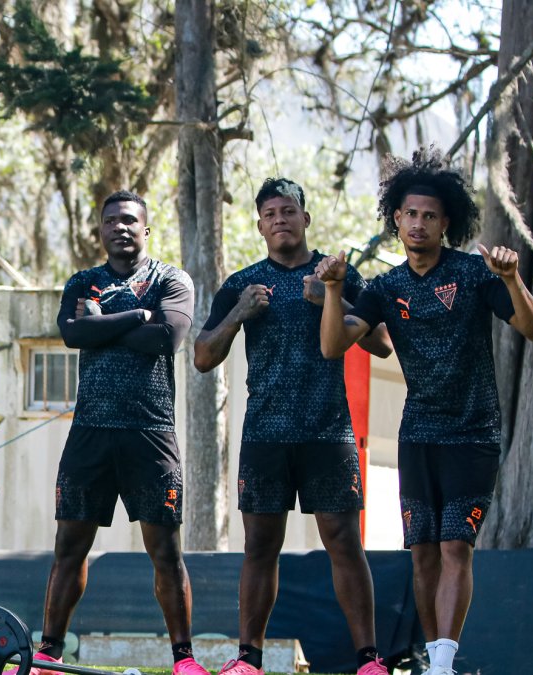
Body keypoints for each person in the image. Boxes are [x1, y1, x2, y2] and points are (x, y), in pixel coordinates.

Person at [316, 149, 533, 675]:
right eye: (410, 214)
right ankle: (430, 654)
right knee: (421, 550)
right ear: (396, 218)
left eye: (430, 216)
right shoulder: (384, 288)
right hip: (417, 434)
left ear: (447, 223)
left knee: (454, 546)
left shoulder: (473, 273)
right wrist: (333, 289)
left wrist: (511, 280)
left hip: (473, 433)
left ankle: (443, 662)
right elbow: (334, 346)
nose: (418, 223)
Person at [193, 178, 392, 675]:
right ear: (259, 226)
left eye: (289, 211)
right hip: (266, 434)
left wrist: (330, 298)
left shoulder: (337, 274)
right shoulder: (243, 283)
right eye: (270, 214)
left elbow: (382, 343)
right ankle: (248, 660)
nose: (280, 219)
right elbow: (202, 357)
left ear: (306, 219)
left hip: (329, 432)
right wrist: (239, 312)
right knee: (261, 545)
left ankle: (368, 659)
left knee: (344, 542)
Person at [18, 190, 205, 675]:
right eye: (110, 221)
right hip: (91, 433)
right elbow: (74, 334)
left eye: (129, 221)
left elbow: (168, 338)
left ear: (146, 229)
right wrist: (137, 316)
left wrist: (106, 323)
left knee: (165, 551)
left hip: (151, 431)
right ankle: (48, 656)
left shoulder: (172, 278)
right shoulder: (84, 281)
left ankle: (184, 659)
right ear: (99, 230)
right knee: (69, 547)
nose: (120, 228)